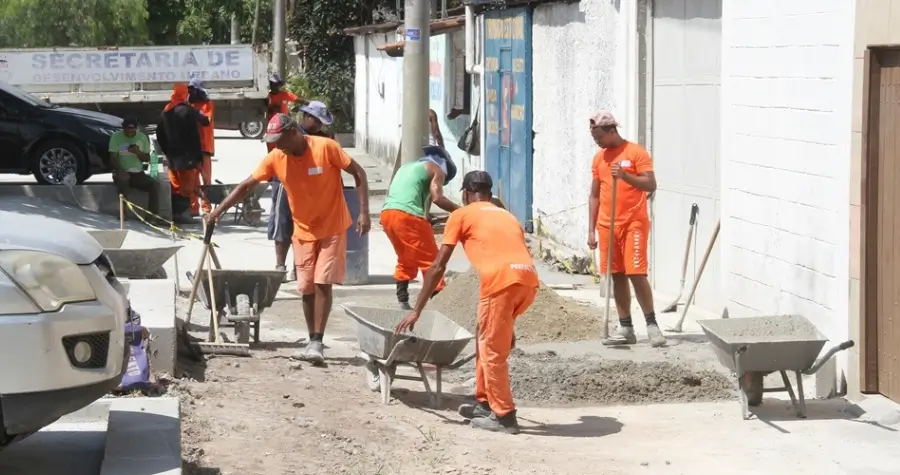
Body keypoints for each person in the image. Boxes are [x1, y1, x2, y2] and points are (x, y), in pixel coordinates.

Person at [205, 114, 371, 364]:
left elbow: (358, 173)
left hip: (332, 226)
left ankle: (317, 341)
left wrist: (364, 212)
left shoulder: (325, 147)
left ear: (294, 132)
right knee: (305, 287)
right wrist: (219, 211)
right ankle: (311, 339)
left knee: (322, 281)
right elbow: (247, 185)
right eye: (273, 142)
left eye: (280, 140)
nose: (276, 146)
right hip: (302, 230)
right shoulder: (276, 158)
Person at [395, 170, 538, 434]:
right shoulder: (507, 215)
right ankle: (484, 401)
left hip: (500, 282)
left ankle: (504, 416)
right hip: (528, 281)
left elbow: (438, 266)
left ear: (464, 194)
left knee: (491, 350)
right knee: (485, 337)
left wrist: (417, 310)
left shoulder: (461, 214)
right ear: (490, 194)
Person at [586, 111, 664, 348]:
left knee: (636, 273)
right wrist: (591, 230)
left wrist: (626, 175)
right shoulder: (599, 159)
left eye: (599, 137)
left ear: (612, 131)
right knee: (617, 274)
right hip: (607, 225)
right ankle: (625, 326)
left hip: (633, 223)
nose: (597, 142)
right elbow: (594, 195)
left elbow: (651, 184)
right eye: (594, 137)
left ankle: (652, 325)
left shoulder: (636, 153)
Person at [381, 145, 459, 309]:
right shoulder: (437, 169)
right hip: (407, 217)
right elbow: (437, 197)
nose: (442, 180)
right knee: (431, 260)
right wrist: (461, 210)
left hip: (387, 214)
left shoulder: (408, 167)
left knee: (406, 256)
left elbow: (418, 197)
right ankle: (439, 302)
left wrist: (427, 216)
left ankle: (402, 299)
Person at [268, 101, 335, 282]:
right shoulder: (292, 133)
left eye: (322, 123)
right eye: (317, 121)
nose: (320, 126)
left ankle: (300, 267)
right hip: (285, 182)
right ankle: (280, 266)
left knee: (303, 227)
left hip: (308, 187)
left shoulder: (320, 138)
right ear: (307, 117)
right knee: (283, 223)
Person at [156, 83, 210, 224]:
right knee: (187, 187)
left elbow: (159, 134)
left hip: (172, 158)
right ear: (184, 94)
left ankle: (175, 213)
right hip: (187, 158)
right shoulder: (188, 111)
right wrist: (198, 158)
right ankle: (184, 214)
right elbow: (194, 136)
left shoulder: (166, 111)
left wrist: (166, 151)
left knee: (175, 185)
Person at [108, 116, 159, 217]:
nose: (130, 132)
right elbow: (112, 158)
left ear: (136, 128)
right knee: (123, 182)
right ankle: (123, 212)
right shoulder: (116, 137)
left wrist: (138, 153)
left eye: (132, 130)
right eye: (127, 130)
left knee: (155, 185)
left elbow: (147, 159)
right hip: (121, 171)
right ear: (123, 129)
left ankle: (152, 215)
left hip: (137, 173)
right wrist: (120, 170)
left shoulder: (142, 137)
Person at [188, 78, 215, 215]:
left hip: (204, 147)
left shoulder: (207, 104)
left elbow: (205, 121)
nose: (190, 92)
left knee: (205, 179)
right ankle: (193, 208)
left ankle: (206, 207)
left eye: (192, 89)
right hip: (192, 147)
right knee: (192, 180)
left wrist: (194, 112)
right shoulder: (189, 105)